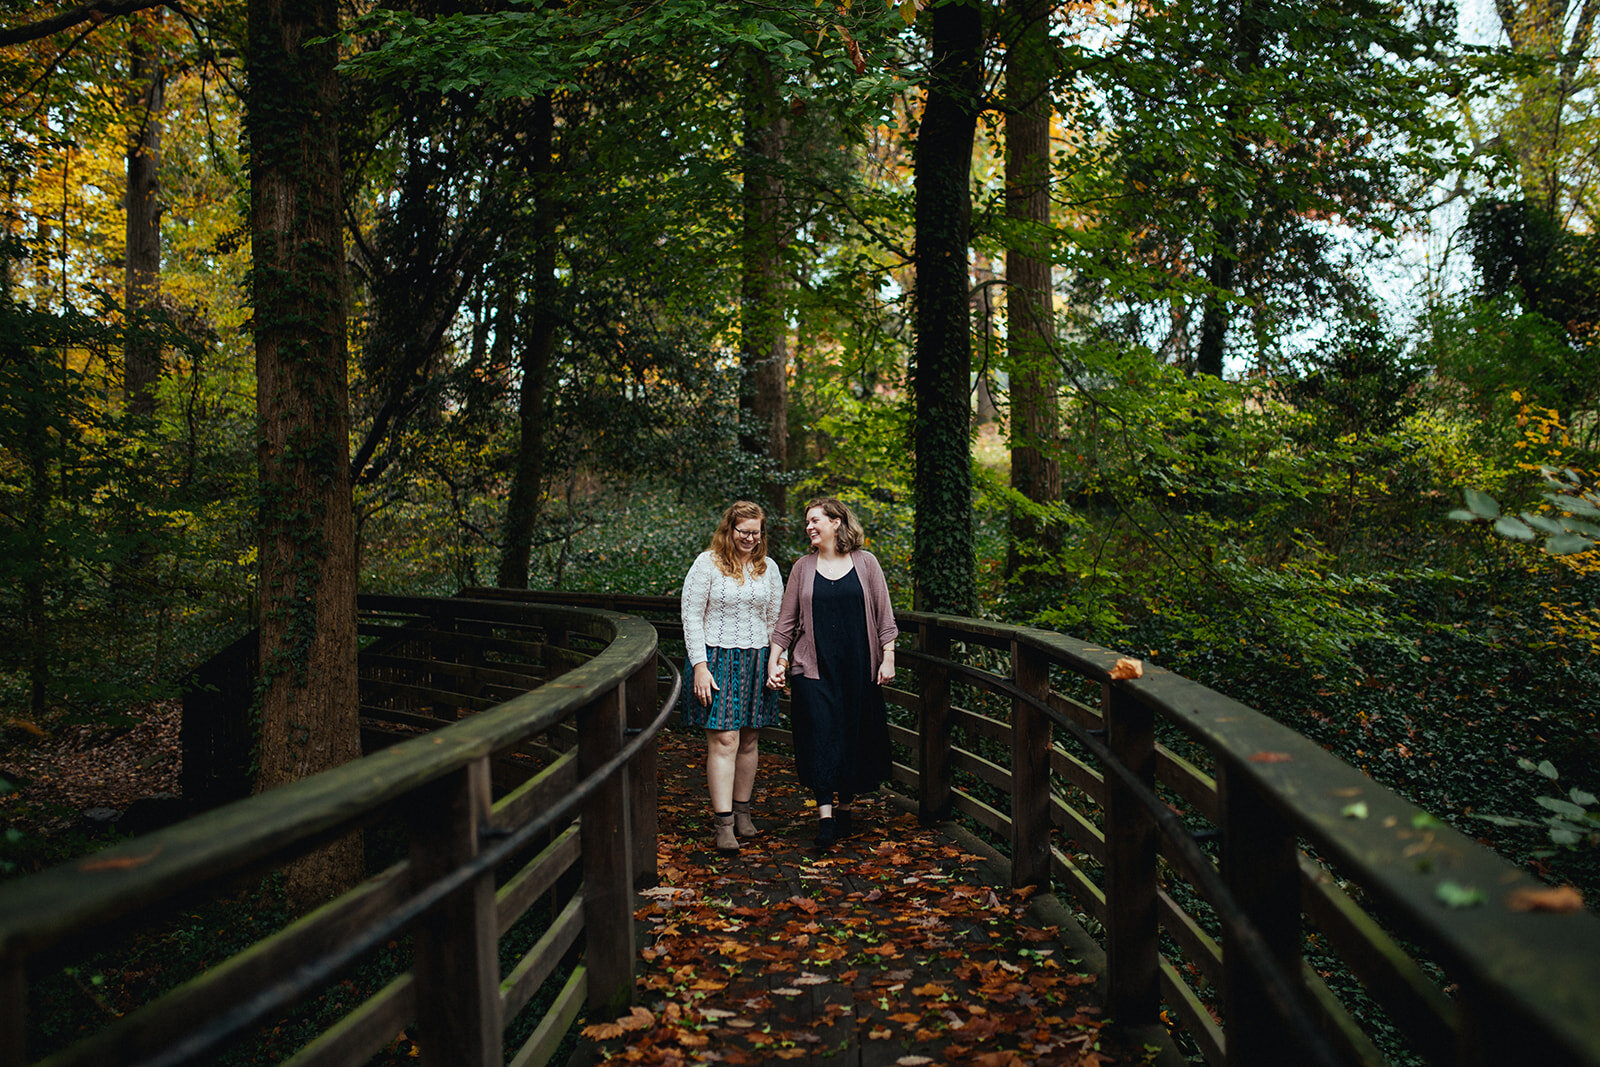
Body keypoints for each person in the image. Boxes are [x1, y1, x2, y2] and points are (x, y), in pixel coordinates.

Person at [766, 496, 897, 849]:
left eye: (815, 520)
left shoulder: (866, 563)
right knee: (821, 736)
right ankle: (824, 817)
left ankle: (845, 808)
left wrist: (888, 658)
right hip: (813, 670)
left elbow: (885, 619)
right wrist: (774, 660)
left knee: (851, 738)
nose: (809, 526)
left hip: (859, 669)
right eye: (807, 521)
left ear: (836, 522)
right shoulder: (802, 568)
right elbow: (786, 623)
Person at [680, 501, 785, 854]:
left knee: (751, 739)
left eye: (756, 533)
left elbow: (776, 622)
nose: (750, 539)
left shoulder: (768, 568)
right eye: (744, 532)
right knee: (725, 739)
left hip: (757, 659)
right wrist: (699, 665)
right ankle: (723, 822)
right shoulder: (706, 564)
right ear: (729, 530)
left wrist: (776, 662)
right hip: (716, 658)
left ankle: (743, 812)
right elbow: (691, 617)